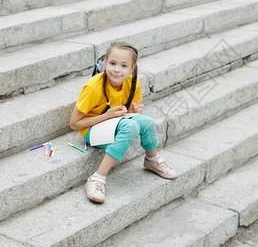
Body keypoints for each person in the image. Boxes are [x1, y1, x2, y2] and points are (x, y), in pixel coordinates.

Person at [70, 42, 178, 203]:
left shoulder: (133, 83)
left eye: (123, 65)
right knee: (131, 125)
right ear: (105, 62)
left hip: (112, 124)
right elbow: (74, 123)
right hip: (91, 131)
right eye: (112, 63)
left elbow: (123, 114)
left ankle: (151, 159)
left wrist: (132, 112)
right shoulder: (94, 87)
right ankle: (97, 178)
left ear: (132, 68)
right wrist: (107, 115)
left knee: (147, 121)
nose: (116, 69)